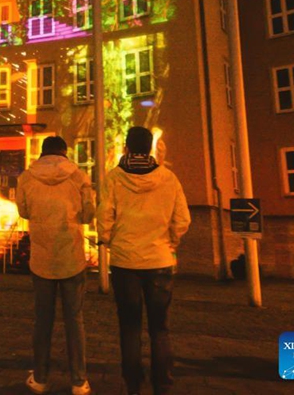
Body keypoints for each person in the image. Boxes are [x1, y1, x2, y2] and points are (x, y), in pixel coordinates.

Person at [96, 126, 191, 395]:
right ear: (150, 148)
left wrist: (108, 240)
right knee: (160, 328)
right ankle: (163, 384)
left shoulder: (114, 178)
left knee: (130, 328)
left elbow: (104, 218)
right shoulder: (168, 178)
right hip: (159, 261)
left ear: (127, 147)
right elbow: (182, 219)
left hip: (125, 262)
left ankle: (133, 385)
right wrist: (170, 241)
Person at [16, 136, 95, 395]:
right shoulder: (79, 177)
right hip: (71, 256)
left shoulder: (26, 178)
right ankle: (78, 381)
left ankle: (40, 378)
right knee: (75, 319)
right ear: (64, 152)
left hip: (41, 257)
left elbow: (24, 211)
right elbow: (88, 214)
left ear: (42, 152)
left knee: (42, 320)